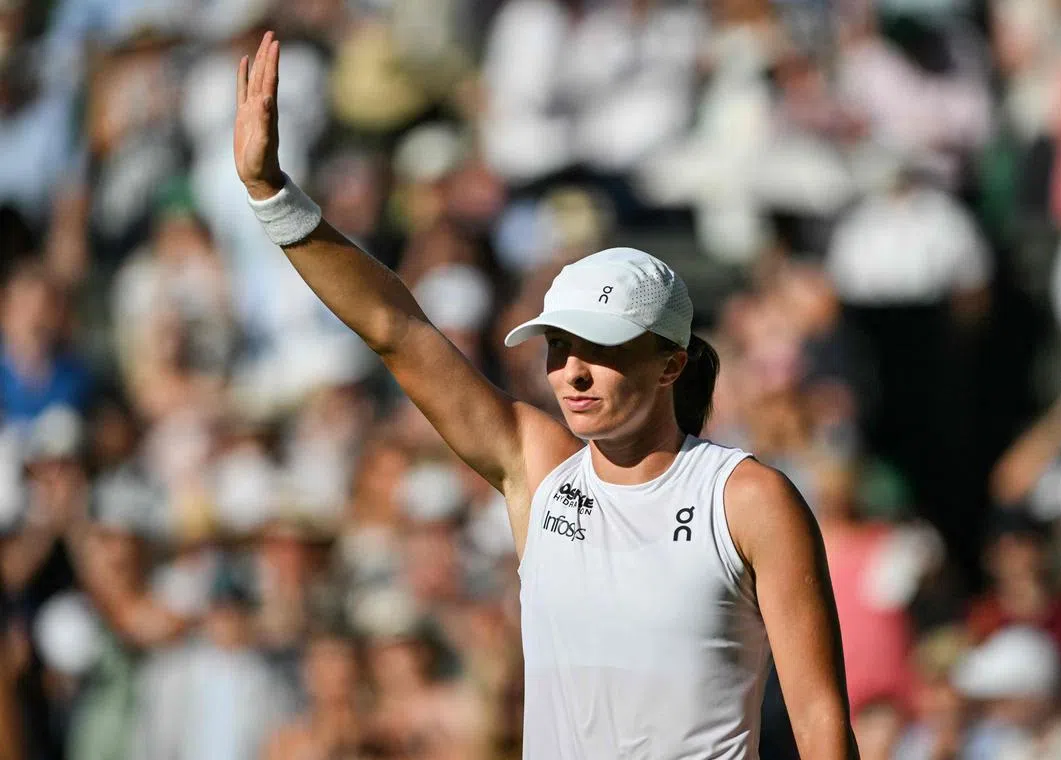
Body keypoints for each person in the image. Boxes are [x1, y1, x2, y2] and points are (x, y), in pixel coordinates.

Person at [234, 31, 856, 760]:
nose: (572, 374)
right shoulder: (540, 469)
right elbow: (395, 329)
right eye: (560, 348)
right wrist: (272, 195)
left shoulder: (748, 500)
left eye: (602, 349)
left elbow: (820, 725)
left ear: (670, 365)